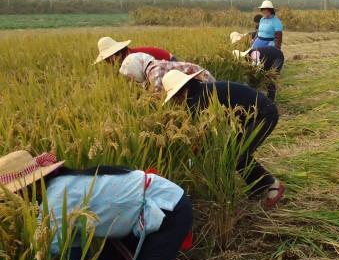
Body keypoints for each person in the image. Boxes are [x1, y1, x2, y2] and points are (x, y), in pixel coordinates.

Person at [0, 150, 193, 260]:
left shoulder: (54, 203)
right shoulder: (58, 186)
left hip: (166, 207)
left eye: (10, 195)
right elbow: (73, 257)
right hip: (131, 218)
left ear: (25, 189)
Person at [161, 70, 285, 207]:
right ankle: (257, 187)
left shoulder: (196, 100)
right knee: (234, 152)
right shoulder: (200, 90)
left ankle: (273, 184)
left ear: (177, 94)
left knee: (237, 155)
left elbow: (203, 137)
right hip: (248, 118)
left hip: (264, 114)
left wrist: (191, 161)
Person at [119, 52, 214, 93]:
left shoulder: (155, 71)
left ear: (136, 69)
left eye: (131, 75)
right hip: (196, 82)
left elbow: (158, 96)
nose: (133, 79)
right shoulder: (152, 68)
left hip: (204, 82)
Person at [94, 36, 178, 65]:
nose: (109, 61)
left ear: (117, 53)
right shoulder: (123, 60)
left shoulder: (131, 58)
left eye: (109, 57)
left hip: (169, 61)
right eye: (107, 59)